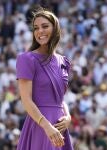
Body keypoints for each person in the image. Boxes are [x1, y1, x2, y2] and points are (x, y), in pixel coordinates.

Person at [16, 7, 74, 150]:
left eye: (45, 26)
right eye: (36, 28)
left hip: (60, 128)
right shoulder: (27, 59)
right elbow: (26, 99)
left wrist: (68, 117)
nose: (40, 31)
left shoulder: (64, 61)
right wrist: (46, 126)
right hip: (40, 126)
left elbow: (60, 99)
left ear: (55, 29)